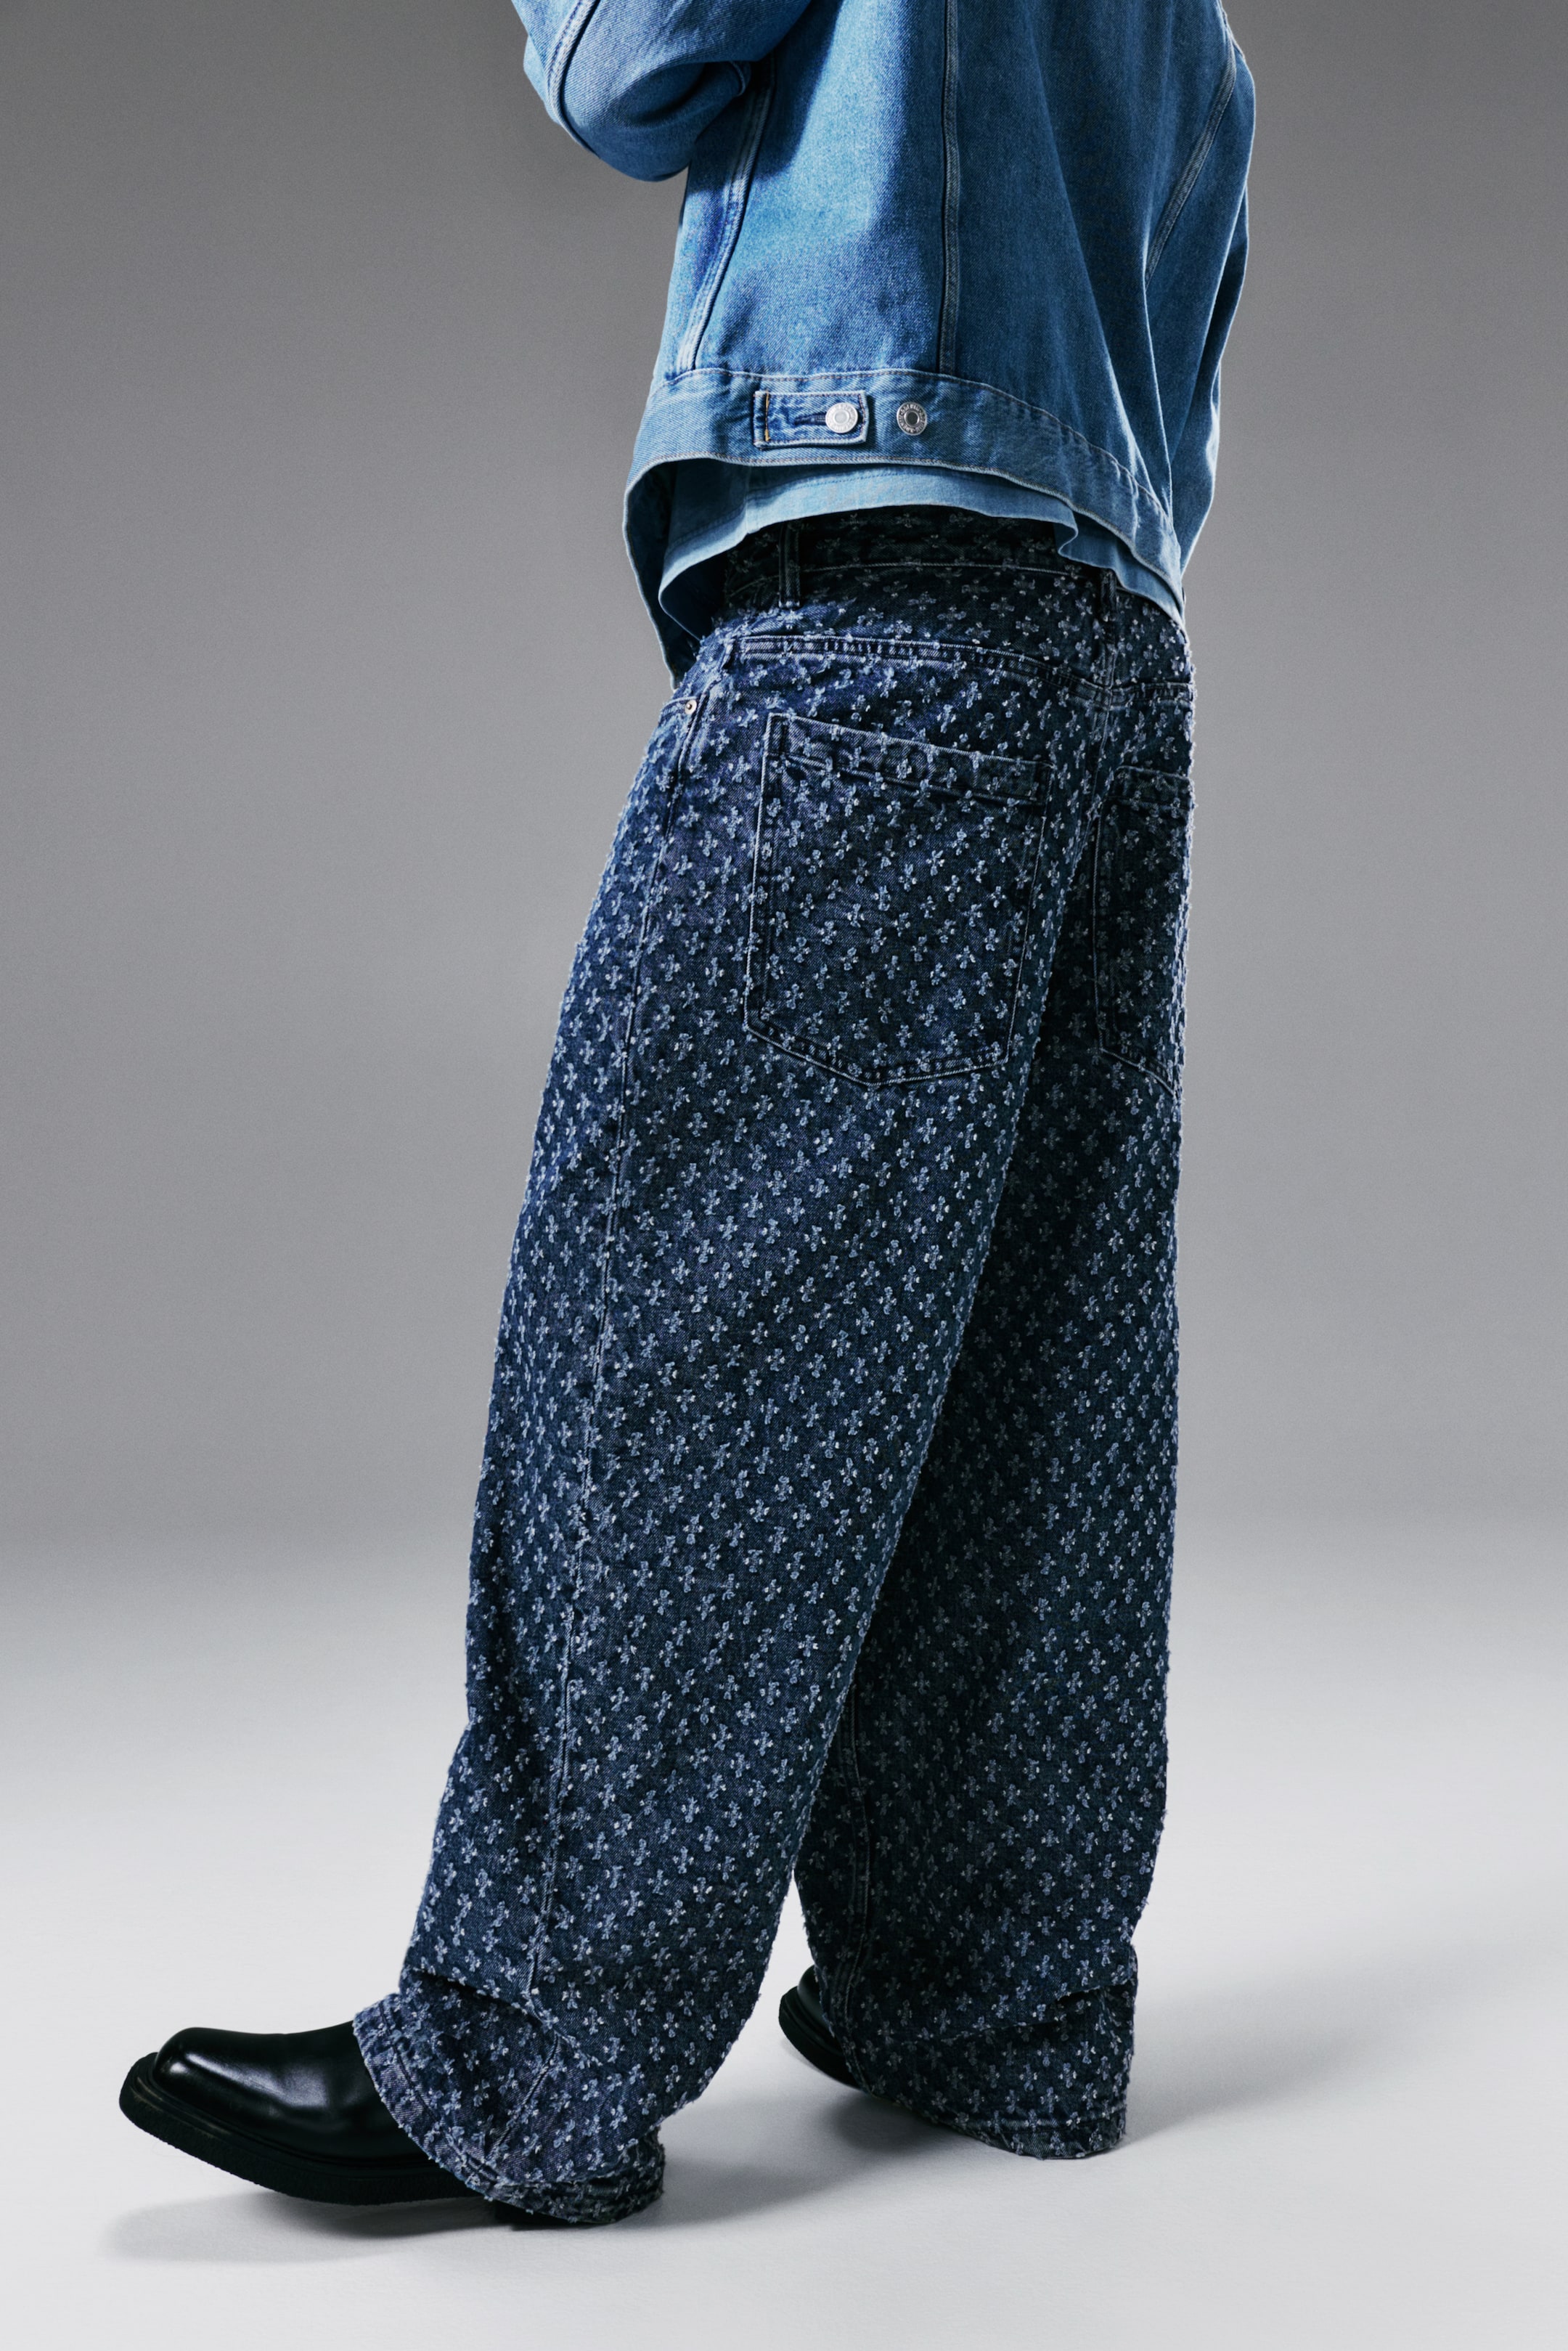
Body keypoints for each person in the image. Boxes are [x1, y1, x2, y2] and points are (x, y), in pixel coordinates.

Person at [120, 0, 1253, 2224]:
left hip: (875, 565)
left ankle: (524, 2059)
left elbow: (631, 59)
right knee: (1027, 1374)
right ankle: (992, 2000)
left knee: (677, 1341)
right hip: (1106, 608)